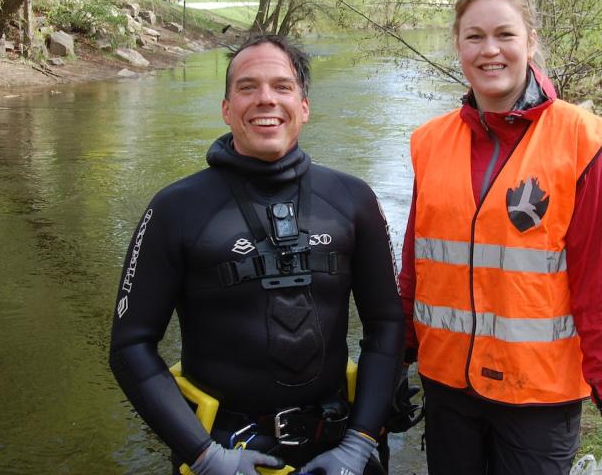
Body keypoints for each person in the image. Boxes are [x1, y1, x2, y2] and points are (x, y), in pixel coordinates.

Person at [109, 34, 404, 475]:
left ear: (304, 106)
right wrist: (204, 456)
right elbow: (130, 346)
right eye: (248, 87)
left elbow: (386, 324)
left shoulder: (352, 200)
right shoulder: (175, 209)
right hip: (222, 451)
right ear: (227, 108)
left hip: (338, 446)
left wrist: (359, 443)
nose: (266, 99)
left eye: (282, 87)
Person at [398, 0, 602, 475]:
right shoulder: (430, 142)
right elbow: (415, 267)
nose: (490, 51)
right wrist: (395, 357)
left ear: (530, 42)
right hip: (448, 387)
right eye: (474, 37)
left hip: (539, 397)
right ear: (457, 46)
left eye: (505, 35)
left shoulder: (583, 142)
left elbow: (601, 280)